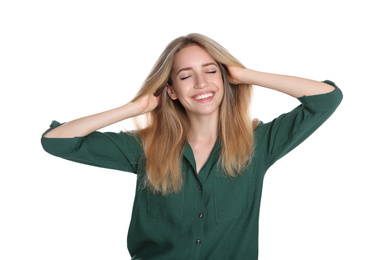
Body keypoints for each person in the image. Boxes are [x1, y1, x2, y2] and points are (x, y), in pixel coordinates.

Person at [41, 33, 343, 259]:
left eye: (211, 71)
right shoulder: (145, 149)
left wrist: (242, 74)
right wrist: (135, 107)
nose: (200, 83)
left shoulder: (258, 145)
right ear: (170, 90)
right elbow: (57, 142)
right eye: (186, 76)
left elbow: (326, 99)